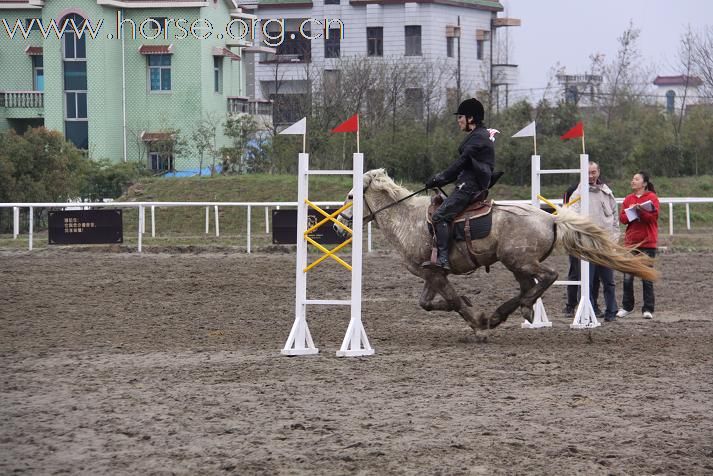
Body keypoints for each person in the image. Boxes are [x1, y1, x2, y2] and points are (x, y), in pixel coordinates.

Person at [422, 98, 495, 273]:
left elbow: (460, 164)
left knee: (439, 216)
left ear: (471, 118)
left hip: (468, 186)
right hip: (469, 184)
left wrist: (439, 178)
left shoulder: (477, 138)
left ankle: (443, 259)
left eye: (461, 116)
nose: (458, 120)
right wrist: (440, 179)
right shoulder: (479, 136)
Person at [564, 162, 620, 321]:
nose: (591, 176)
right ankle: (587, 312)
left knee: (609, 282)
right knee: (587, 282)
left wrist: (613, 242)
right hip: (587, 246)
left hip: (605, 245)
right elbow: (571, 215)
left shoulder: (607, 192)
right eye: (588, 173)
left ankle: (611, 312)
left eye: (593, 172)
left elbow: (615, 220)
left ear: (598, 172)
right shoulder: (577, 193)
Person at [617, 171, 659, 319]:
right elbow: (622, 218)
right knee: (627, 277)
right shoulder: (628, 199)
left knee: (646, 277)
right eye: (633, 178)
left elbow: (652, 218)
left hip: (648, 242)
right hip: (631, 243)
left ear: (644, 183)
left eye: (636, 179)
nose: (633, 181)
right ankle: (627, 307)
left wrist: (640, 211)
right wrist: (632, 211)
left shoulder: (652, 198)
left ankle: (648, 309)